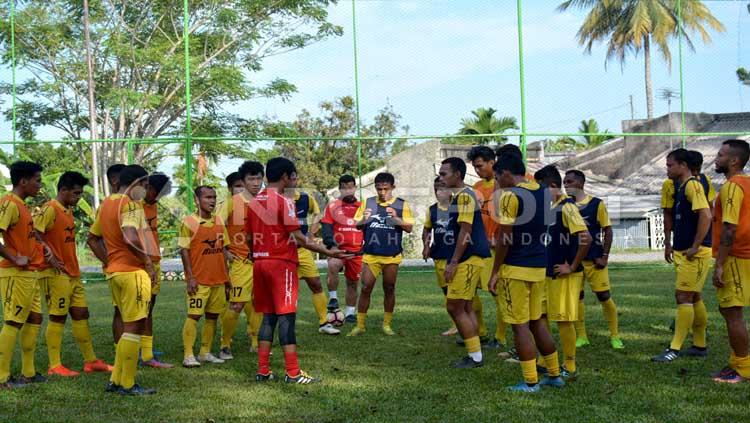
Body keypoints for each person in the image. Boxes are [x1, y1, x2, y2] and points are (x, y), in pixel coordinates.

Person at [246, 157, 348, 384]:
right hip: (280, 265)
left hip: (260, 264)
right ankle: (292, 372)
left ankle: (263, 370)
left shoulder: (253, 202)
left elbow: (249, 238)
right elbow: (300, 238)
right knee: (286, 318)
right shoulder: (284, 202)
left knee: (268, 318)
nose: (294, 180)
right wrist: (330, 252)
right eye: (292, 176)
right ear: (284, 176)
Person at [488, 154, 564, 393]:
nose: (498, 184)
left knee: (519, 325)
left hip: (516, 268)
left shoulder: (510, 195)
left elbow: (505, 236)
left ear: (506, 173)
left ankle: (531, 382)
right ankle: (554, 374)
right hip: (539, 266)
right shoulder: (543, 191)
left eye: (498, 178)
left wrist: (495, 271)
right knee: (537, 322)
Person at [35, 171, 112, 377]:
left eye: (80, 193)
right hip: (55, 273)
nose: (78, 197)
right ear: (63, 190)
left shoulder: (67, 210)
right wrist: (48, 254)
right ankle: (54, 365)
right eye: (76, 193)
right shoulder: (50, 208)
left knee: (81, 314)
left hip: (73, 273)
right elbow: (34, 231)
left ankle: (90, 361)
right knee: (57, 317)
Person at [87, 164, 156, 395]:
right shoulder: (131, 204)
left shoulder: (107, 203)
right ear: (135, 184)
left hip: (115, 273)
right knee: (134, 327)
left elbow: (92, 239)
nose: (146, 191)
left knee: (128, 327)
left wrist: (109, 261)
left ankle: (116, 380)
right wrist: (146, 261)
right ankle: (127, 383)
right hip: (132, 273)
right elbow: (129, 236)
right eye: (145, 186)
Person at [651, 149, 712, 362]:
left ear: (683, 166)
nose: (667, 169)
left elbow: (706, 214)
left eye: (670, 165)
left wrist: (696, 245)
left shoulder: (693, 185)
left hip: (694, 253)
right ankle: (699, 345)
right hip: (683, 250)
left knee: (683, 296)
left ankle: (674, 349)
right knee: (694, 296)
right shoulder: (680, 187)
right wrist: (670, 243)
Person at [535, 165, 591, 380]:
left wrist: (572, 266)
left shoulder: (568, 208)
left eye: (540, 189)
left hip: (565, 274)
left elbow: (585, 238)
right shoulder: (550, 208)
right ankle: (544, 359)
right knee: (540, 316)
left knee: (564, 320)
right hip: (548, 274)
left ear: (551, 186)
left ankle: (570, 365)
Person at [438, 158, 491, 368]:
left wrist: (453, 262)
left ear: (458, 174)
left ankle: (475, 356)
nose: (440, 178)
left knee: (454, 306)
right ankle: (475, 353)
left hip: (468, 259)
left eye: (444, 174)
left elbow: (466, 231)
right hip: (467, 258)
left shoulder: (465, 197)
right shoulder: (458, 197)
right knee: (465, 306)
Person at [348, 172, 415, 336]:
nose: (382, 192)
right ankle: (360, 325)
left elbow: (409, 228)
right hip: (371, 254)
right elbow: (358, 225)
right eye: (379, 189)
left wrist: (396, 219)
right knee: (365, 288)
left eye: (386, 189)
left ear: (393, 187)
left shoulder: (401, 204)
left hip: (391, 255)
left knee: (389, 288)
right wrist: (364, 219)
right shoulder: (368, 203)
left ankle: (386, 325)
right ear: (375, 188)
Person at [563, 170, 624, 350]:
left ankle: (615, 336)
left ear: (580, 183)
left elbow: (608, 230)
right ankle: (582, 336)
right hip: (574, 261)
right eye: (564, 182)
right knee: (577, 298)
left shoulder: (596, 204)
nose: (566, 185)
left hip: (594, 259)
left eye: (570, 182)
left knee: (604, 296)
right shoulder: (565, 206)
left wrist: (605, 255)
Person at [0, 161, 46, 389]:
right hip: (15, 274)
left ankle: (28, 372)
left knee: (35, 319)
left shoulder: (22, 205)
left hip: (31, 274)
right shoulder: (8, 203)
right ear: (23, 181)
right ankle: (1, 377)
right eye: (37, 180)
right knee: (13, 322)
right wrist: (14, 257)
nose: (40, 184)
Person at [710, 139, 750, 383]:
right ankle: (736, 361)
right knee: (727, 310)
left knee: (733, 312)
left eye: (720, 154)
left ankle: (743, 368)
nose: (716, 158)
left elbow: (729, 229)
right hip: (743, 255)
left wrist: (720, 264)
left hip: (736, 257)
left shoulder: (733, 187)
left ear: (734, 160)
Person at [180, 186, 231, 368]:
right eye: (208, 197)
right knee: (194, 316)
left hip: (218, 279)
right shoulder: (189, 222)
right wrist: (190, 277)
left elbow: (224, 249)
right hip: (199, 280)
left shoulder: (219, 221)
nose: (212, 201)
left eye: (214, 197)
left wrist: (227, 278)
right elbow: (184, 251)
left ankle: (205, 352)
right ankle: (188, 355)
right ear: (197, 200)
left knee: (212, 317)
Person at [219, 161, 264, 358]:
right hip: (241, 262)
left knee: (259, 303)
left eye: (258, 178)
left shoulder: (266, 201)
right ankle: (225, 343)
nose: (255, 183)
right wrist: (224, 249)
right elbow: (216, 225)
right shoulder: (232, 203)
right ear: (243, 181)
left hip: (263, 261)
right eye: (251, 179)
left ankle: (255, 341)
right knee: (236, 304)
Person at [286, 174, 339, 335]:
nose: (293, 181)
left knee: (316, 283)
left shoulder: (304, 198)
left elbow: (317, 213)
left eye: (295, 178)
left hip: (302, 250)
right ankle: (285, 327)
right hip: (283, 252)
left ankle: (324, 323)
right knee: (288, 291)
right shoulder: (277, 201)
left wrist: (311, 232)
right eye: (290, 178)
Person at [468, 146, 505, 348]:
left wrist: (498, 239)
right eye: (474, 167)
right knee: (470, 289)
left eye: (480, 166)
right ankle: (480, 331)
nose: (477, 170)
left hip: (497, 249)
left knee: (496, 291)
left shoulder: (504, 185)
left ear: (492, 162)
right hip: (479, 248)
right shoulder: (476, 186)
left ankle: (500, 337)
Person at [139, 173, 173, 368]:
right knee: (136, 310)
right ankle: (136, 351)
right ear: (148, 186)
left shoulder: (153, 206)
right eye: (157, 193)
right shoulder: (134, 206)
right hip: (140, 264)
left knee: (150, 306)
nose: (157, 198)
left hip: (155, 261)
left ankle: (147, 351)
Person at [322, 175, 364, 324]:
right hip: (338, 250)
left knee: (352, 283)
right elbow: (326, 229)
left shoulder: (362, 206)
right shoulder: (333, 206)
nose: (348, 190)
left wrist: (366, 246)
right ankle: (333, 298)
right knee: (332, 264)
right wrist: (332, 246)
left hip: (356, 251)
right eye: (344, 188)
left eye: (350, 187)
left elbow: (369, 228)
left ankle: (350, 313)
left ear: (355, 188)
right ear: (340, 189)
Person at [422, 177, 458, 336]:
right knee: (446, 292)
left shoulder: (459, 207)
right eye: (436, 189)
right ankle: (455, 324)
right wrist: (426, 246)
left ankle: (470, 324)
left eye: (442, 188)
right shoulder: (432, 210)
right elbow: (427, 230)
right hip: (440, 255)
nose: (439, 192)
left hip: (457, 256)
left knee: (458, 292)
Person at [105, 163, 126, 349]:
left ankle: (141, 349)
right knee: (120, 311)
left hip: (130, 268)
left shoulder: (128, 203)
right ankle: (121, 351)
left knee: (141, 310)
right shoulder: (109, 205)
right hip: (122, 269)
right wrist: (109, 260)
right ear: (115, 181)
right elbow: (93, 239)